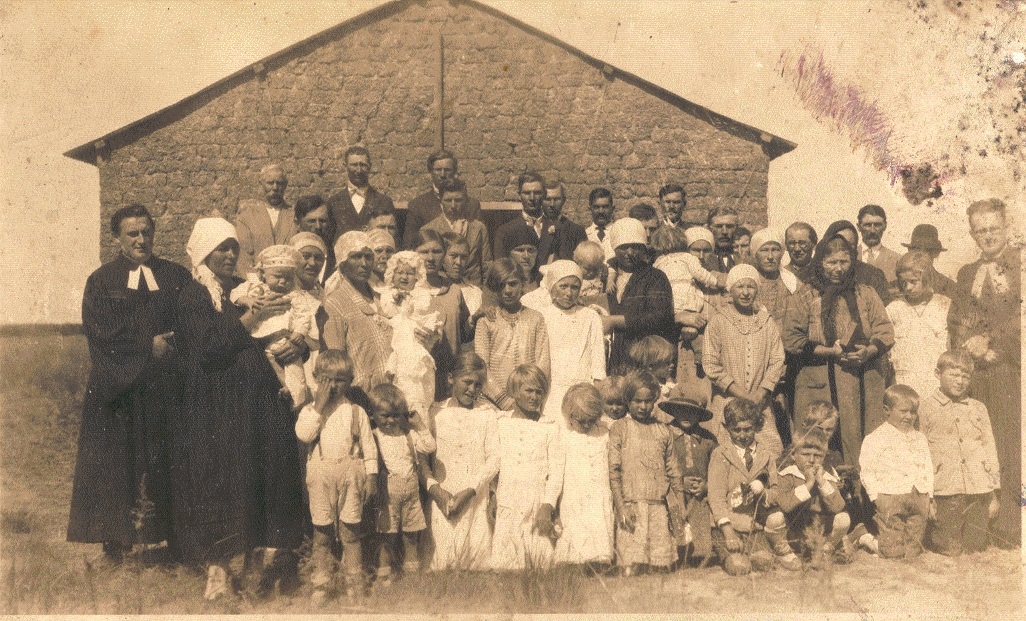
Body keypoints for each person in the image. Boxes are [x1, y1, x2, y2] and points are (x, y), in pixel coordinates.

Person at [173, 217, 305, 600]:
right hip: (218, 404)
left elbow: (285, 321)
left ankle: (254, 570)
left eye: (233, 248)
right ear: (203, 253)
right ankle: (217, 572)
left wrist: (298, 343)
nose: (230, 255)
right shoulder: (194, 294)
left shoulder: (245, 288)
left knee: (260, 477)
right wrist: (252, 317)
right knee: (223, 479)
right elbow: (210, 346)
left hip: (259, 399)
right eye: (221, 249)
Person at [68, 204, 192, 562]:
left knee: (166, 460)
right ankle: (115, 544)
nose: (140, 240)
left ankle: (172, 541)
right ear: (117, 238)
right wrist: (145, 345)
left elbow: (191, 320)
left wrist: (171, 346)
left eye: (145, 232)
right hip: (120, 391)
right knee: (117, 464)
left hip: (166, 390)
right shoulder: (102, 280)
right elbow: (100, 330)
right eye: (132, 234)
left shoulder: (175, 275)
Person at [783, 232, 894, 464]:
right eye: (831, 262)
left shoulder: (865, 293)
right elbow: (792, 339)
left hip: (862, 381)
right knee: (819, 444)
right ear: (821, 262)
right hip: (819, 382)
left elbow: (885, 331)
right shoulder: (806, 295)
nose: (838, 268)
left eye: (844, 262)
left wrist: (868, 352)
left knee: (863, 444)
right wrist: (829, 352)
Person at [950, 198, 1020, 546]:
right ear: (972, 234)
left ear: (1006, 226)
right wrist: (968, 346)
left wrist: (991, 344)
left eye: (994, 228)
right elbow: (957, 319)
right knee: (979, 446)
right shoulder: (966, 273)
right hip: (975, 372)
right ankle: (979, 528)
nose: (988, 235)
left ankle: (1009, 528)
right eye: (981, 230)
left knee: (1008, 445)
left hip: (1008, 370)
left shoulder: (1019, 266)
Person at [295, 350, 377, 603]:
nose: (332, 385)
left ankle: (354, 583)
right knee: (322, 534)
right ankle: (321, 583)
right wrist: (318, 404)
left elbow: (369, 447)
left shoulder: (356, 411)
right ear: (316, 378)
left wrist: (372, 477)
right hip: (320, 473)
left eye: (340, 379)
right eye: (326, 379)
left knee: (351, 532)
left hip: (351, 473)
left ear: (350, 380)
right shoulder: (310, 410)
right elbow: (304, 435)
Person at [919, 350, 1000, 556]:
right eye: (954, 375)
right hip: (945, 490)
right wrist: (927, 497)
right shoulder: (925, 407)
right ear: (938, 374)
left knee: (976, 548)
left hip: (978, 488)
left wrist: (994, 492)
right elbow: (920, 453)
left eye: (965, 376)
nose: (960, 381)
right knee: (946, 548)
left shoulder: (978, 408)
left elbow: (989, 447)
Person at [425, 352, 499, 571]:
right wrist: (436, 490)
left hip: (474, 494)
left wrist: (471, 490)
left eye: (478, 385)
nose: (472, 389)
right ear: (450, 379)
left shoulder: (487, 415)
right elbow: (423, 458)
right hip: (443, 494)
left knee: (475, 561)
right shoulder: (435, 412)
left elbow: (494, 458)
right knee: (441, 562)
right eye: (467, 382)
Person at [703, 264, 785, 460]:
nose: (746, 293)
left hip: (759, 402)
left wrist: (760, 393)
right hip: (727, 401)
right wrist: (741, 394)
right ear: (730, 290)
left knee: (771, 453)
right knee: (726, 456)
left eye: (751, 287)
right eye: (740, 287)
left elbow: (777, 360)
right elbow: (710, 364)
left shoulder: (766, 322)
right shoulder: (718, 322)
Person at [608, 371, 686, 575]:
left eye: (648, 401)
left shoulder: (663, 431)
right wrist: (621, 506)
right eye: (637, 401)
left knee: (660, 568)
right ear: (627, 400)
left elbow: (674, 471)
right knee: (631, 568)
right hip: (632, 505)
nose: (642, 407)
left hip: (660, 507)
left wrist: (680, 506)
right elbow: (614, 472)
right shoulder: (620, 428)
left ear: (655, 401)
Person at [707, 398, 792, 575]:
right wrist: (728, 532)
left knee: (764, 563)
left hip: (754, 525)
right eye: (736, 430)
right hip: (727, 525)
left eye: (748, 429)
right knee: (739, 567)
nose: (742, 435)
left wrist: (763, 493)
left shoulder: (766, 455)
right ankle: (730, 551)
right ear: (726, 427)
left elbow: (776, 491)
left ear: (757, 426)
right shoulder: (720, 454)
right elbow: (715, 497)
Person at [230, 245, 320, 409]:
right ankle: (284, 386)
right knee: (270, 363)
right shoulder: (255, 288)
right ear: (263, 274)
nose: (283, 281)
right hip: (261, 337)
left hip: (284, 337)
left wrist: (300, 332)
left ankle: (296, 396)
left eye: (288, 278)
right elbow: (234, 295)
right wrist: (247, 300)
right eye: (278, 277)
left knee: (294, 365)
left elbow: (303, 315)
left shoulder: (294, 294)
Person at [492, 365, 564, 570]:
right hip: (508, 497)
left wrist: (548, 504)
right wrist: (492, 494)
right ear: (514, 392)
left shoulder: (549, 426)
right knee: (506, 564)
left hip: (536, 500)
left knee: (540, 563)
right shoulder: (500, 422)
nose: (534, 397)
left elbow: (556, 471)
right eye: (528, 391)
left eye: (539, 392)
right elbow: (494, 463)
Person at [367, 384, 435, 585]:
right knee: (386, 538)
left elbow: (430, 446)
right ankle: (384, 575)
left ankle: (411, 574)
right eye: (385, 415)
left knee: (410, 536)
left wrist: (419, 425)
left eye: (396, 415)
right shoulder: (374, 436)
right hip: (387, 494)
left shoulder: (408, 435)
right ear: (373, 415)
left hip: (410, 493)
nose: (390, 421)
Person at [859, 385, 934, 560]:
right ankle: (868, 540)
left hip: (918, 495)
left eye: (913, 412)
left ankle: (907, 554)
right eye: (903, 411)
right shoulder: (876, 438)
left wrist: (929, 494)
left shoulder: (920, 438)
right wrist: (875, 496)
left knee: (913, 549)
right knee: (893, 552)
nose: (909, 416)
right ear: (887, 410)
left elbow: (927, 467)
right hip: (890, 496)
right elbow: (867, 469)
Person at [528, 260, 606, 424]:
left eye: (574, 287)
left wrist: (595, 390)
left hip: (582, 388)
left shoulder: (590, 316)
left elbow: (598, 359)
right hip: (552, 389)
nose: (569, 293)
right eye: (563, 286)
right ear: (552, 287)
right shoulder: (541, 316)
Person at [321, 231, 394, 401]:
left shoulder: (382, 298)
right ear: (343, 263)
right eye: (356, 257)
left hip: (391, 393)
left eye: (368, 257)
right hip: (361, 395)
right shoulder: (335, 303)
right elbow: (336, 360)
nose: (364, 263)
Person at [766, 428, 850, 569]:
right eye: (805, 454)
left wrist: (822, 482)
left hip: (816, 529)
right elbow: (785, 504)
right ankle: (783, 550)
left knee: (844, 518)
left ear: (824, 457)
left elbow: (838, 507)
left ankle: (825, 549)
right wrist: (809, 484)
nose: (811, 460)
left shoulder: (826, 477)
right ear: (794, 455)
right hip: (792, 528)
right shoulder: (787, 475)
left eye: (817, 455)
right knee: (774, 518)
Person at [474, 259, 551, 410]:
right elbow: (481, 366)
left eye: (513, 283)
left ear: (523, 283)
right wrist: (505, 402)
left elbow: (543, 363)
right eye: (501, 285)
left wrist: (530, 397)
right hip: (493, 402)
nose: (507, 290)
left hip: (528, 402)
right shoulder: (486, 321)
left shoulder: (535, 318)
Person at [554, 383, 615, 569]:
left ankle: (600, 562)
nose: (587, 425)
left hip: (599, 490)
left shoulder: (605, 432)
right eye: (581, 421)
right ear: (570, 416)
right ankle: (572, 561)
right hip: (574, 492)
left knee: (599, 523)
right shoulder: (563, 435)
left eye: (591, 420)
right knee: (575, 526)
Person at [605, 217, 675, 374]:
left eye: (635, 247)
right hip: (611, 359)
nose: (630, 253)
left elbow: (661, 317)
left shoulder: (655, 277)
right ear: (614, 248)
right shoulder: (605, 278)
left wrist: (616, 321)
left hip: (642, 358)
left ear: (643, 248)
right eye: (623, 247)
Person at [378, 251, 442, 416]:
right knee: (400, 387)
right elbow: (388, 314)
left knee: (421, 389)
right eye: (400, 272)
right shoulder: (387, 295)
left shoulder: (422, 296)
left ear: (417, 276)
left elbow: (428, 317)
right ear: (392, 275)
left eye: (410, 273)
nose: (404, 277)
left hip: (417, 345)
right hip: (398, 346)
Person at [411, 229, 472, 400]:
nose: (430, 258)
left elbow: (464, 334)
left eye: (437, 251)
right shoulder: (408, 290)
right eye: (424, 252)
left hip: (448, 376)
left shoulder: (454, 290)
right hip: (417, 375)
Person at [660, 387, 718, 564]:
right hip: (673, 493)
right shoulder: (664, 434)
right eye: (681, 410)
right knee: (675, 525)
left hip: (700, 494)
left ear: (700, 414)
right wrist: (678, 483)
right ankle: (676, 557)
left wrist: (707, 485)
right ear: (673, 410)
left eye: (692, 412)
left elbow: (718, 468)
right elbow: (658, 466)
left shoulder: (708, 439)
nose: (686, 415)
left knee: (700, 526)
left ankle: (699, 557)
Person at [885, 251, 952, 399]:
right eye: (903, 283)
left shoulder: (944, 305)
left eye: (913, 281)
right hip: (905, 381)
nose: (908, 288)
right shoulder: (893, 309)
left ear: (927, 279)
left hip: (937, 382)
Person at [650, 225, 725, 333]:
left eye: (707, 250)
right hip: (680, 306)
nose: (701, 256)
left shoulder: (658, 261)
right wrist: (716, 282)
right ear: (686, 248)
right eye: (695, 250)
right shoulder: (687, 258)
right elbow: (699, 273)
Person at [402, 149, 481, 250]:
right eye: (438, 170)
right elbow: (409, 245)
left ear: (455, 171)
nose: (443, 175)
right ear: (430, 171)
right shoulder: (418, 206)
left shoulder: (472, 205)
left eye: (447, 170)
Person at [422, 178, 490, 284]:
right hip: (442, 289)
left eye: (458, 200)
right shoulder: (429, 229)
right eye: (448, 200)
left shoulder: (479, 228)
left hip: (473, 288)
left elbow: (487, 265)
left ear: (466, 200)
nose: (453, 205)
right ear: (440, 200)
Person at [235, 163, 298, 276]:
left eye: (279, 183)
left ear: (285, 185)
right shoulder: (246, 216)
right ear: (261, 184)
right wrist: (256, 284)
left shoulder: (295, 215)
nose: (275, 187)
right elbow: (243, 256)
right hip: (256, 284)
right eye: (270, 183)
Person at [327, 146, 395, 237]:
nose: (358, 170)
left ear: (370, 167)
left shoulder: (384, 201)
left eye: (363, 165)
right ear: (345, 166)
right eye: (354, 165)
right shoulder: (333, 202)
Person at [822, 220, 893, 305]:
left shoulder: (872, 275)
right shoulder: (813, 274)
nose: (845, 249)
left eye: (850, 244)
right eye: (839, 244)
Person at [494, 171, 558, 266]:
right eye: (527, 193)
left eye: (537, 193)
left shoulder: (558, 228)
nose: (532, 198)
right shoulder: (505, 231)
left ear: (544, 194)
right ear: (519, 194)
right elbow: (501, 269)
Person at [900, 224, 957, 298]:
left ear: (936, 253)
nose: (920, 257)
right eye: (915, 250)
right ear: (909, 251)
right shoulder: (898, 285)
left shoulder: (948, 287)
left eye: (927, 251)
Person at [294, 194, 337, 284]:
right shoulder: (287, 256)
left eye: (323, 221)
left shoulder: (337, 258)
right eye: (311, 221)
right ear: (297, 223)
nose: (318, 226)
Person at [440, 231, 484, 316]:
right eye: (453, 256)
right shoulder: (433, 289)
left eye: (463, 257)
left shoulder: (475, 293)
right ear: (442, 256)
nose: (459, 262)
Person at [543, 180, 588, 260]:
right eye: (547, 199)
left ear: (563, 200)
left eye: (556, 199)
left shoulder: (577, 231)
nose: (552, 204)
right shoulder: (535, 227)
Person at [856, 204, 901, 284]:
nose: (872, 231)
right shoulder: (850, 257)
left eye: (877, 225)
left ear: (885, 226)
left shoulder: (897, 260)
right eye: (868, 225)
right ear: (859, 227)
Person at [585, 187, 616, 260]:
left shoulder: (619, 233)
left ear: (612, 208)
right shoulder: (584, 235)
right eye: (596, 207)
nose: (601, 211)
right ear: (590, 209)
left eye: (605, 207)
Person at [706, 206, 740, 273]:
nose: (724, 232)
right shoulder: (702, 259)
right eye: (718, 226)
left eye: (729, 226)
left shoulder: (744, 259)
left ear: (737, 228)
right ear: (709, 228)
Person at [367, 229, 397, 296]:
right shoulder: (362, 285)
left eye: (389, 251)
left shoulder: (399, 284)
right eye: (379, 251)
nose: (384, 256)